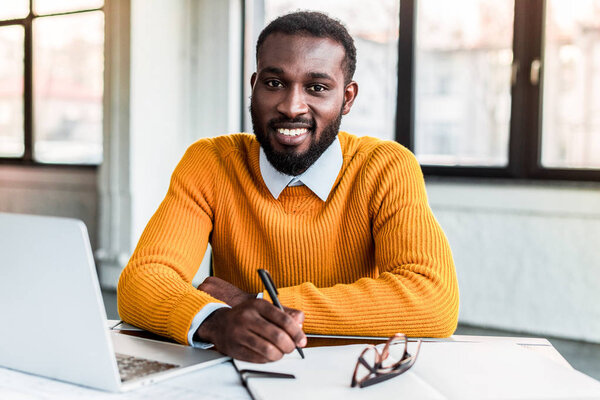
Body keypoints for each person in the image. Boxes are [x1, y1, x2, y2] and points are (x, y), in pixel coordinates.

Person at [117, 11, 459, 363]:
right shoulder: (211, 162)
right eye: (274, 83)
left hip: (349, 379)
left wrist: (255, 302)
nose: (291, 107)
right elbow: (142, 280)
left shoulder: (385, 167)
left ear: (348, 97)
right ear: (254, 87)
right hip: (239, 373)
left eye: (317, 88)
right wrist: (216, 321)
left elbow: (432, 299)